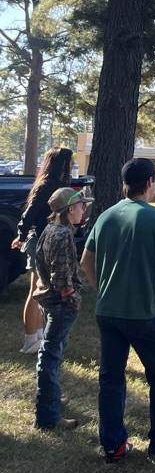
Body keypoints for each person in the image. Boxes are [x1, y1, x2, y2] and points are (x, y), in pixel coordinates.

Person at [80, 157, 155, 463]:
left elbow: (86, 261)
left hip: (108, 311)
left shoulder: (105, 216)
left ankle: (113, 445)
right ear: (149, 183)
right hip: (145, 313)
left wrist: (104, 288)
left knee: (111, 378)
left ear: (125, 184)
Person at [33, 187, 93, 430]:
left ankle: (52, 396)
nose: (83, 209)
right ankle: (48, 416)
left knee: (54, 350)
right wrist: (71, 297)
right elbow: (60, 274)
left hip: (48, 299)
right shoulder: (61, 234)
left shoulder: (52, 230)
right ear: (69, 209)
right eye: (80, 206)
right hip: (59, 302)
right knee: (50, 354)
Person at [13, 146, 74, 354]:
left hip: (49, 241)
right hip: (39, 240)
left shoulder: (58, 184)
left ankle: (39, 335)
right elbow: (29, 213)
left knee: (43, 289)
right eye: (70, 162)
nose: (73, 166)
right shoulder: (47, 185)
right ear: (61, 164)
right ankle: (30, 340)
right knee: (35, 290)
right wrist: (21, 236)